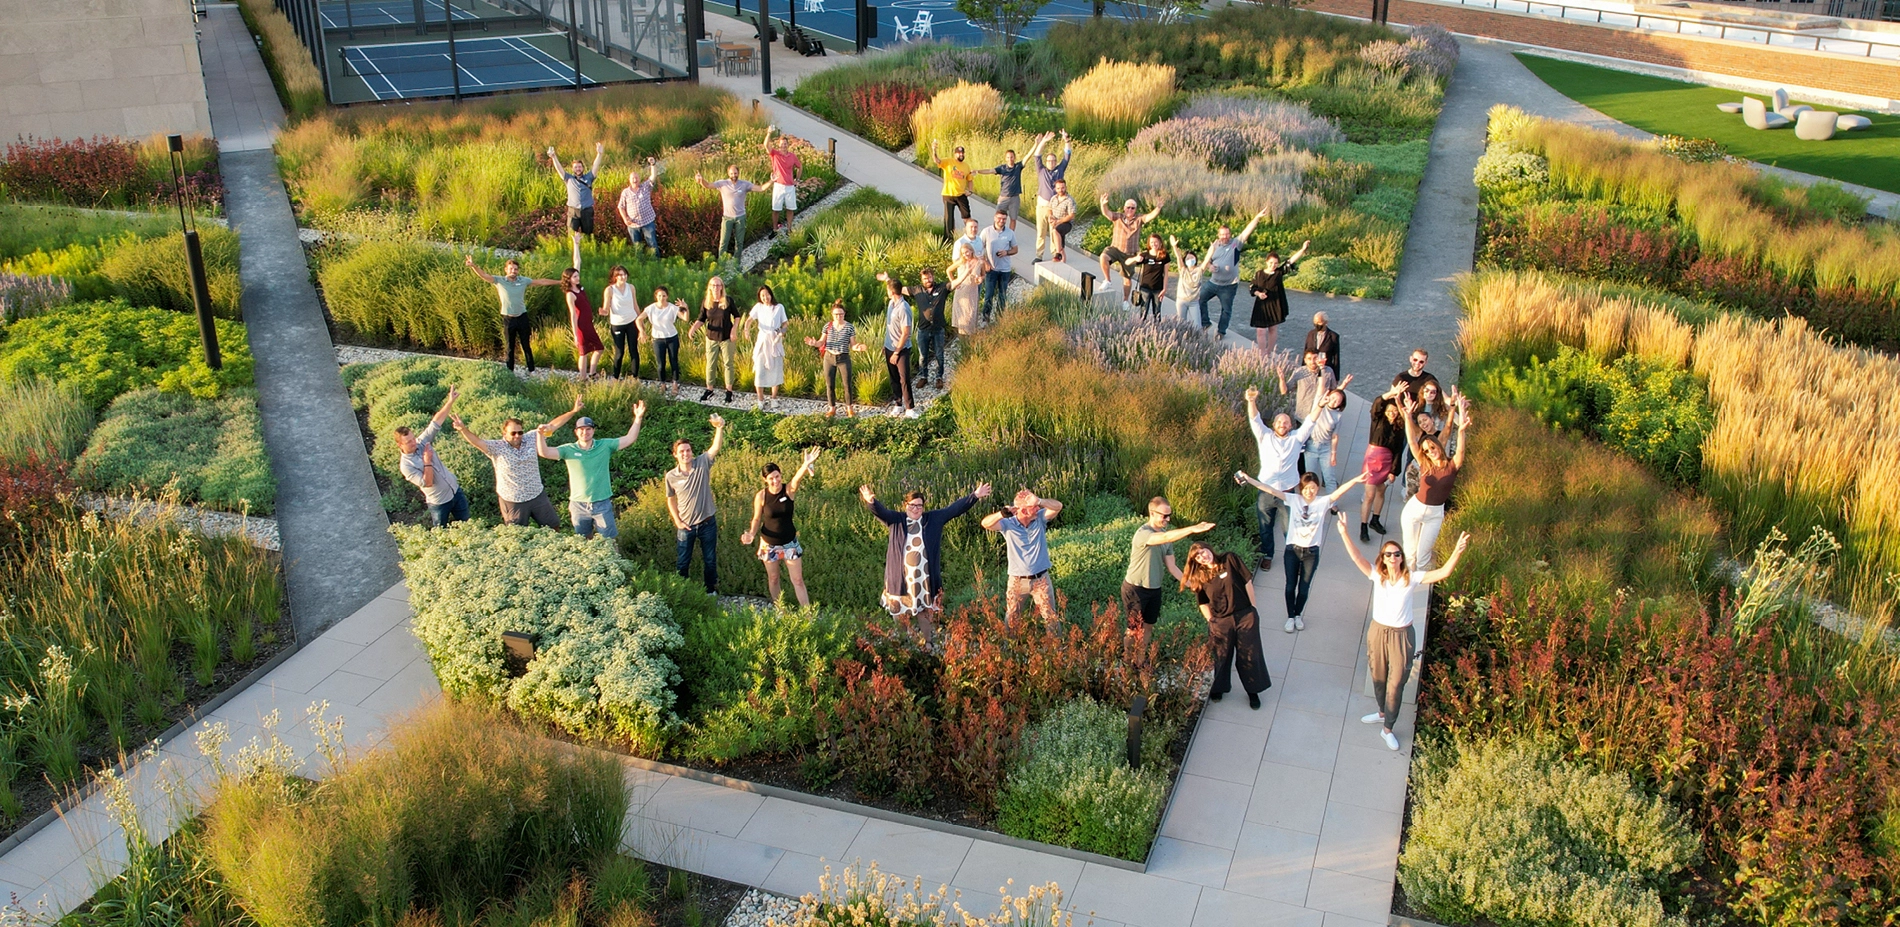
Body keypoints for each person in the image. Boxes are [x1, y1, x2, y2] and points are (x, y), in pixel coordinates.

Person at [1335, 519, 1471, 750]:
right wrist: (1344, 533)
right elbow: (1357, 557)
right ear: (1383, 559)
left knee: (1396, 682)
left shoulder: (1412, 578)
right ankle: (1381, 711)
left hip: (1401, 635)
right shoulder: (1378, 577)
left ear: (1401, 558)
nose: (1393, 557)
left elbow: (1443, 573)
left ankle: (1388, 727)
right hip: (1378, 631)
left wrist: (1457, 552)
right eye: (1388, 554)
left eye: (1397, 554)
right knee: (1378, 676)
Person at [862, 481, 992, 641]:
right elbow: (880, 511)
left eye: (919, 506)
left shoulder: (933, 519)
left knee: (924, 611)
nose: (915, 509)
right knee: (900, 612)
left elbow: (954, 509)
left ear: (923, 507)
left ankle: (928, 642)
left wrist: (975, 496)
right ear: (905, 505)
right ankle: (904, 642)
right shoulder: (895, 520)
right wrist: (870, 501)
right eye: (912, 505)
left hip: (924, 579)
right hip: (899, 578)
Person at [1237, 469, 1365, 633]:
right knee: (1290, 585)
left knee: (1304, 587)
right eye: (1306, 488)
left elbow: (1340, 492)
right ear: (1301, 489)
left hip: (1311, 553)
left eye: (1312, 488)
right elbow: (1270, 490)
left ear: (1317, 488)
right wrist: (1249, 479)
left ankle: (1298, 615)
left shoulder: (1322, 502)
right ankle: (1290, 617)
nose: (1309, 491)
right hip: (1293, 550)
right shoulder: (1293, 499)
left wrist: (1355, 480)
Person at [451, 395, 583, 528]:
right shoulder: (496, 447)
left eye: (520, 432)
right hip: (513, 500)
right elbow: (477, 442)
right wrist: (463, 429)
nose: (517, 436)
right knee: (517, 533)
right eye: (513, 433)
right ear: (504, 433)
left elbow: (553, 425)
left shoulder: (531, 438)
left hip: (536, 494)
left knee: (553, 526)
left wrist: (573, 411)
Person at [537, 400, 647, 540]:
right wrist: (540, 435)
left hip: (602, 503)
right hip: (578, 505)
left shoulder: (605, 445)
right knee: (584, 542)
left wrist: (638, 418)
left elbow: (630, 438)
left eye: (588, 429)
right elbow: (544, 453)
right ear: (576, 432)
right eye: (581, 429)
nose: (585, 432)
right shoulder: (568, 449)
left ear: (593, 430)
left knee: (609, 542)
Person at [1180, 542, 1270, 710]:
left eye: (1203, 552)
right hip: (1221, 622)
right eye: (1197, 556)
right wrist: (1211, 620)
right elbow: (1202, 602)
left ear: (1209, 548)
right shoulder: (1201, 576)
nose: (1203, 556)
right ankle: (1219, 689)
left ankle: (1253, 691)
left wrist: (1253, 609)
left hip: (1244, 616)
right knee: (1221, 656)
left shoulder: (1230, 559)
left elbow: (1247, 582)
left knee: (1249, 655)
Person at [1243, 383, 1317, 571]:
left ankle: (1294, 558)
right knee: (1265, 527)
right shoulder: (1265, 436)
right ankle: (1267, 555)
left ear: (1290, 425)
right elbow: (1254, 419)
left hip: (1287, 493)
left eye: (1285, 422)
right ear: (1273, 424)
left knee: (1290, 528)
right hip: (1266, 491)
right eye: (1279, 422)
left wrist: (1321, 405)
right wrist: (1251, 401)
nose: (1282, 425)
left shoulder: (1296, 439)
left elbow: (1310, 422)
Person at [1121, 497, 1215, 642]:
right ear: (1152, 513)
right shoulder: (1144, 533)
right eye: (1164, 516)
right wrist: (1192, 529)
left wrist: (1193, 585)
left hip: (1154, 589)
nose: (1168, 519)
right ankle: (1128, 661)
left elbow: (1172, 567)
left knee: (1148, 626)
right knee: (1133, 629)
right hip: (1135, 589)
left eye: (1169, 515)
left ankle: (1140, 661)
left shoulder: (1166, 538)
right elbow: (1164, 537)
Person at [741, 447, 821, 607]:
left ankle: (807, 614)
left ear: (781, 475)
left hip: (789, 542)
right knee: (774, 578)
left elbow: (797, 479)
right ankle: (780, 609)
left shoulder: (788, 490)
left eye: (777, 476)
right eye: (771, 478)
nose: (775, 481)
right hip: (768, 543)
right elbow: (756, 518)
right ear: (765, 479)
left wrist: (806, 464)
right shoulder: (761, 496)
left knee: (798, 580)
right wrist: (751, 533)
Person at [1400, 391, 1468, 573]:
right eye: (1427, 450)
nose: (1431, 451)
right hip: (1414, 510)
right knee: (1410, 553)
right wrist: (1407, 417)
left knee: (1423, 557)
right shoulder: (1424, 464)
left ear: (1438, 446)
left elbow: (1460, 450)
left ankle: (1416, 586)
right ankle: (1405, 586)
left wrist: (1461, 430)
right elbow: (1412, 442)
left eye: (1432, 447)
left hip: (1435, 514)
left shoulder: (1452, 465)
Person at [981, 489, 1066, 630]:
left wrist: (1038, 501)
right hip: (1017, 582)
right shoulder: (1008, 524)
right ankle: (1011, 648)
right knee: (1012, 617)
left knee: (1050, 617)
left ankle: (1055, 648)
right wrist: (1001, 514)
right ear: (1025, 511)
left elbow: (1058, 506)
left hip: (1041, 580)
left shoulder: (1040, 518)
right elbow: (986, 523)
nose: (1038, 509)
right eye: (1034, 507)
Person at [466, 256, 560, 375]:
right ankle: (510, 371)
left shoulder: (523, 281)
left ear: (518, 270)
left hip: (522, 317)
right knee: (509, 347)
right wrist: (473, 266)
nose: (513, 271)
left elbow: (541, 281)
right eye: (511, 269)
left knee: (526, 345)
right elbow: (484, 275)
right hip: (508, 318)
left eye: (515, 269)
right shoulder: (499, 280)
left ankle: (531, 370)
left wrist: (560, 282)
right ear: (506, 269)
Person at [664, 415, 727, 593]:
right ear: (675, 454)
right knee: (683, 561)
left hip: (708, 523)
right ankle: (682, 592)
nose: (686, 454)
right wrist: (677, 521)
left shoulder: (702, 464)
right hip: (686, 526)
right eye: (682, 451)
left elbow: (715, 448)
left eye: (688, 450)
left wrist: (719, 428)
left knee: (710, 559)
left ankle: (710, 591)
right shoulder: (671, 476)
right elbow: (671, 499)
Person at [394, 387, 466, 528]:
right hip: (439, 502)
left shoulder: (421, 443)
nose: (414, 442)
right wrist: (427, 462)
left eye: (413, 438)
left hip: (455, 491)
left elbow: (436, 422)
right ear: (400, 445)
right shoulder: (406, 466)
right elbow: (427, 483)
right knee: (440, 530)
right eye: (409, 442)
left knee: (466, 524)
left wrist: (450, 402)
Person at [1197, 208, 1269, 338]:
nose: (1224, 237)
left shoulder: (1236, 244)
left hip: (1229, 286)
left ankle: (1221, 332)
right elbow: (1207, 261)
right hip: (1213, 283)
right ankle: (1205, 322)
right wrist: (1210, 267)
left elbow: (1248, 230)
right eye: (1222, 234)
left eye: (1227, 234)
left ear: (1230, 234)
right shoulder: (1214, 246)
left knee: (1226, 310)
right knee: (1199, 299)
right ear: (1218, 235)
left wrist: (1257, 217)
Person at [1358, 383, 1409, 543]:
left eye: (1394, 411)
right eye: (1389, 411)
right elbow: (1376, 405)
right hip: (1373, 459)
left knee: (1381, 492)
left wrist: (1394, 470)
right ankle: (1363, 526)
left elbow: (1399, 450)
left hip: (1387, 461)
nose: (1392, 414)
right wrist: (1391, 393)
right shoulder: (1377, 420)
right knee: (1369, 495)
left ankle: (1375, 519)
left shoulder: (1400, 428)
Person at [1097, 195, 1164, 310]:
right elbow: (1106, 213)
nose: (1130, 210)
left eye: (1133, 208)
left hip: (1130, 253)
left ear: (1135, 210)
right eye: (1128, 207)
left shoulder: (1138, 219)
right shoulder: (1118, 217)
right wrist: (1103, 204)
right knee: (1103, 257)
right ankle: (1107, 280)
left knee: (1127, 279)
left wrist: (1158, 208)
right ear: (1124, 208)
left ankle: (1125, 300)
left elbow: (1149, 217)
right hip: (1116, 248)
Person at [804, 300, 867, 418]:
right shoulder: (828, 326)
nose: (839, 316)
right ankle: (832, 408)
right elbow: (821, 342)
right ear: (832, 315)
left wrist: (858, 348)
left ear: (844, 314)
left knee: (847, 384)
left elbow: (853, 345)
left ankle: (849, 408)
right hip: (829, 357)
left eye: (841, 314)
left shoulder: (849, 327)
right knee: (829, 384)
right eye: (836, 314)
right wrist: (814, 343)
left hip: (843, 357)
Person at [1248, 239, 1310, 356]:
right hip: (1261, 305)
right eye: (1271, 263)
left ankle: (1269, 351)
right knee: (1260, 331)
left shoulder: (1278, 273)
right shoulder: (1259, 274)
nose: (1273, 265)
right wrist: (1259, 294)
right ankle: (1262, 354)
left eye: (1276, 263)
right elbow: (1252, 287)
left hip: (1275, 304)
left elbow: (1291, 261)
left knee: (1272, 329)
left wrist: (1302, 249)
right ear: (1266, 262)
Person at [891, 267, 949, 390]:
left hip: (938, 329)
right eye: (924, 278)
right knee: (923, 356)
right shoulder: (917, 290)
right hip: (923, 329)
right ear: (921, 280)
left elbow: (955, 283)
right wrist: (887, 279)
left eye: (929, 277)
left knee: (939, 354)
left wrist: (968, 268)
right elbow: (898, 288)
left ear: (933, 277)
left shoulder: (942, 288)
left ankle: (939, 378)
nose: (927, 280)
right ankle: (924, 377)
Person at [549, 141, 604, 270]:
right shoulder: (568, 178)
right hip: (573, 211)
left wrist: (599, 154)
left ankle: (588, 257)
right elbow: (559, 169)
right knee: (572, 235)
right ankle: (572, 258)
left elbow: (596, 166)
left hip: (587, 210)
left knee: (588, 234)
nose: (578, 169)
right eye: (575, 167)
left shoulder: (589, 178)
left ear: (582, 168)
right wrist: (553, 157)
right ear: (572, 169)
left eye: (579, 167)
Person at [689, 276, 738, 403]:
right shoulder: (707, 302)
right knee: (710, 364)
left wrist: (734, 330)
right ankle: (709, 389)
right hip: (711, 337)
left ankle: (729, 391)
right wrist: (693, 328)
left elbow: (737, 316)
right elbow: (701, 319)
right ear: (709, 287)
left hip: (726, 337)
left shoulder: (727, 300)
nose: (716, 287)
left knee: (728, 364)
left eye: (718, 285)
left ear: (722, 287)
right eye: (713, 285)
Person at [743, 284, 788, 411]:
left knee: (776, 369)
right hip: (762, 340)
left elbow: (785, 323)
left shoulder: (779, 307)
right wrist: (746, 330)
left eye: (767, 294)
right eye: (762, 295)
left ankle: (774, 398)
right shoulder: (758, 307)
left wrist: (781, 333)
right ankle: (760, 399)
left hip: (774, 340)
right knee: (760, 369)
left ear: (771, 294)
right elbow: (749, 320)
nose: (765, 297)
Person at [696, 165, 758, 259]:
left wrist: (771, 181)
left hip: (740, 218)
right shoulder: (722, 183)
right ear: (728, 173)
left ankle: (736, 264)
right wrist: (701, 180)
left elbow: (761, 188)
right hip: (727, 218)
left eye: (735, 173)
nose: (734, 175)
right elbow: (707, 185)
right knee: (723, 242)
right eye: (732, 173)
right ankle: (721, 264)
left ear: (738, 173)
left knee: (739, 243)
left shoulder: (744, 184)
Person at [877, 276, 917, 418]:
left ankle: (910, 408)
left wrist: (896, 352)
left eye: (888, 290)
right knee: (893, 378)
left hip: (901, 349)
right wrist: (886, 345)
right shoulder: (891, 304)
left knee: (904, 378)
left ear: (891, 292)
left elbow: (906, 333)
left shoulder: (904, 308)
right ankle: (898, 404)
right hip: (889, 347)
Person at [1032, 130, 1072, 261]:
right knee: (1041, 232)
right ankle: (1039, 255)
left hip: (1055, 207)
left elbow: (1067, 155)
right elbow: (1037, 154)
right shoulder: (1041, 170)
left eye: (1053, 160)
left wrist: (1066, 140)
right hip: (1042, 206)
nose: (1051, 162)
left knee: (1054, 231)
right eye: (1049, 160)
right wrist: (1044, 141)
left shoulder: (1059, 170)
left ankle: (1056, 254)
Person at [1302, 387, 1350, 492]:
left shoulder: (1338, 416)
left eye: (1337, 401)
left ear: (1340, 404)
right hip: (1311, 445)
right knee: (1310, 478)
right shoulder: (1319, 404)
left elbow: (1335, 436)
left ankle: (1332, 505)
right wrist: (1322, 370)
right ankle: (1309, 502)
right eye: (1332, 398)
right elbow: (1321, 385)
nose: (1333, 402)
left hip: (1326, 448)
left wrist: (1333, 454)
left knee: (1330, 478)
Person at [643, 286, 687, 398]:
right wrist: (642, 331)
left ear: (667, 296)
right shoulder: (651, 308)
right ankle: (662, 384)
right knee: (660, 363)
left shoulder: (672, 308)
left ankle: (675, 383)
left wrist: (685, 308)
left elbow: (685, 318)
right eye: (659, 296)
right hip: (658, 339)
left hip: (672, 337)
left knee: (674, 361)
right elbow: (639, 319)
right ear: (656, 296)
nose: (661, 298)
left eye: (664, 296)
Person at [562, 267, 603, 381]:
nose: (577, 278)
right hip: (581, 326)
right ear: (569, 279)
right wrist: (575, 334)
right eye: (574, 276)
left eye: (578, 276)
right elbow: (573, 314)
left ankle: (592, 372)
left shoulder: (580, 288)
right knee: (583, 352)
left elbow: (577, 262)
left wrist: (576, 248)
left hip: (588, 324)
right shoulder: (570, 294)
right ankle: (582, 377)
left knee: (599, 348)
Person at [975, 145, 1027, 231]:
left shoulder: (1018, 167)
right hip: (1004, 197)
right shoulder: (1002, 168)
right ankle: (996, 233)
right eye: (1008, 157)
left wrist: (1036, 145)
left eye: (1011, 157)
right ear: (1005, 158)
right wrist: (978, 171)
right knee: (998, 217)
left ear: (1014, 157)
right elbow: (990, 171)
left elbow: (1027, 157)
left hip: (1014, 198)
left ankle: (1010, 237)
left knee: (1013, 219)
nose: (1010, 159)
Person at [979, 210, 1018, 324]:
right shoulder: (986, 231)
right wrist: (986, 263)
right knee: (989, 294)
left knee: (1002, 294)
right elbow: (979, 249)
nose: (1001, 221)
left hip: (1005, 269)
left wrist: (1007, 252)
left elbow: (1015, 249)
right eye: (999, 218)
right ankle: (985, 317)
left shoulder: (1010, 233)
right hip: (992, 269)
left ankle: (999, 317)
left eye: (1004, 219)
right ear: (995, 218)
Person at [603, 265, 642, 379]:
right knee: (619, 352)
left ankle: (635, 377)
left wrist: (640, 321)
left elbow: (635, 305)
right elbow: (606, 308)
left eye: (624, 274)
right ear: (615, 277)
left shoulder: (631, 287)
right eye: (620, 275)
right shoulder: (610, 290)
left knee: (633, 350)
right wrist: (603, 311)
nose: (623, 277)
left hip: (632, 321)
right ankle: (615, 377)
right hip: (618, 324)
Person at [763, 126, 802, 235]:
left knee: (790, 208)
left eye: (785, 144)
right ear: (779, 145)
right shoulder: (775, 154)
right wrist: (769, 133)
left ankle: (789, 229)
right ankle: (775, 229)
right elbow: (766, 145)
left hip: (790, 186)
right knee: (776, 209)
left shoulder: (792, 156)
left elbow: (799, 166)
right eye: (781, 144)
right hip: (778, 185)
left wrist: (797, 179)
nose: (783, 146)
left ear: (787, 145)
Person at [1122, 234, 1170, 322]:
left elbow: (1166, 274)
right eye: (1152, 242)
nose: (1154, 244)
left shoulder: (1164, 256)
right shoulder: (1145, 255)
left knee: (1157, 313)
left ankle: (1158, 331)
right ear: (1149, 243)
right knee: (1143, 312)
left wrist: (1164, 289)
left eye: (1156, 242)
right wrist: (1136, 258)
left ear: (1160, 243)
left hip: (1158, 289)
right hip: (1145, 288)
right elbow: (1127, 262)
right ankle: (1142, 330)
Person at [617, 157, 660, 256]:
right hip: (633, 225)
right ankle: (640, 266)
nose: (635, 180)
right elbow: (621, 206)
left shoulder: (645, 187)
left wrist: (653, 164)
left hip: (647, 222)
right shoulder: (625, 192)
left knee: (652, 245)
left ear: (639, 179)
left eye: (636, 178)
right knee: (637, 248)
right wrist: (625, 219)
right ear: (629, 180)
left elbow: (653, 175)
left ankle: (656, 265)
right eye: (633, 178)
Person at [932, 139, 974, 237]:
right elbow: (937, 161)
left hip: (961, 195)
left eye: (962, 153)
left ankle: (970, 236)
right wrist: (934, 150)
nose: (961, 155)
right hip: (948, 195)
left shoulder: (966, 166)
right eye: (959, 153)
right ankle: (948, 240)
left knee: (967, 217)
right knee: (949, 219)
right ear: (955, 154)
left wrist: (970, 191)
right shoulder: (948, 162)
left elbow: (970, 179)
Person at [948, 242, 987, 334]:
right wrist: (954, 282)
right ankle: (962, 338)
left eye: (967, 252)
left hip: (972, 291)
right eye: (963, 253)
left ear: (971, 250)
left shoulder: (979, 262)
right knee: (962, 316)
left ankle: (970, 336)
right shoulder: (961, 262)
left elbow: (984, 275)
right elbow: (949, 270)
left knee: (971, 314)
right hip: (961, 290)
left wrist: (981, 278)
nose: (965, 255)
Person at [1171, 235, 1203, 324]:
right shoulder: (1183, 270)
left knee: (1197, 325)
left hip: (1194, 301)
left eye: (1192, 258)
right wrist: (1174, 246)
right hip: (1182, 300)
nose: (1190, 260)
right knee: (1181, 324)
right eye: (1188, 258)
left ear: (1196, 259)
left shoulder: (1199, 270)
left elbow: (1206, 261)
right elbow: (1178, 257)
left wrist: (1212, 249)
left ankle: (1198, 337)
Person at [1046, 179, 1077, 264]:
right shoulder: (1053, 198)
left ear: (1066, 187)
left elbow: (1071, 215)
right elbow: (1049, 209)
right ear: (1055, 189)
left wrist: (1059, 221)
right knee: (1059, 243)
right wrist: (1050, 217)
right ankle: (1062, 261)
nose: (1061, 190)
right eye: (1058, 188)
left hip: (1066, 223)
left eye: (1062, 188)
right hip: (1055, 223)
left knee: (1056, 232)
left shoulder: (1069, 200)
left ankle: (1058, 254)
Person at [1304, 311, 1341, 378]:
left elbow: (1336, 358)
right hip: (1310, 370)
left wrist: (1336, 377)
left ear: (1326, 322)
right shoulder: (1310, 334)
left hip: (1325, 371)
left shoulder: (1333, 336)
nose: (1317, 324)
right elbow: (1305, 352)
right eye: (1315, 322)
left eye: (1319, 322)